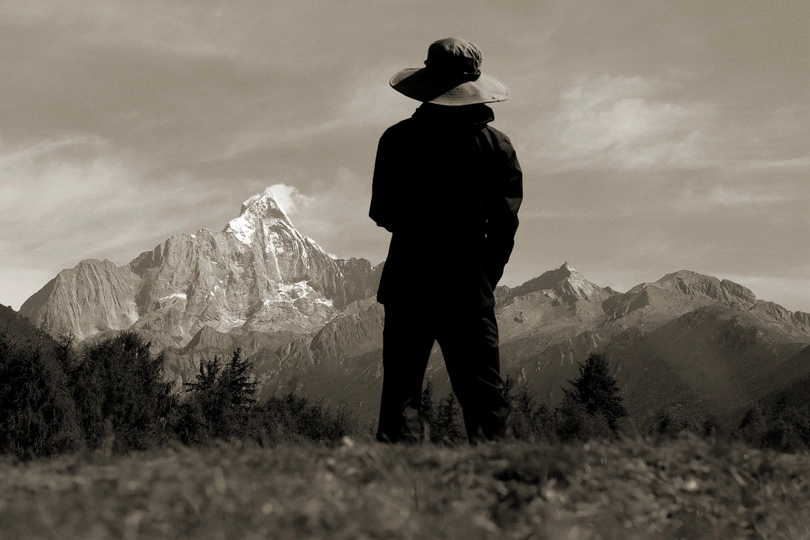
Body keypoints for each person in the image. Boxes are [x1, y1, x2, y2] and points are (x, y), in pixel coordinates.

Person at [370, 37, 523, 444]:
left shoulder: (397, 139)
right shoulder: (496, 146)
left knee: (401, 391)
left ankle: (398, 474)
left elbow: (383, 212)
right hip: (468, 281)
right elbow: (504, 225)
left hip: (408, 276)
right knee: (483, 392)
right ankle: (500, 471)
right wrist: (484, 278)